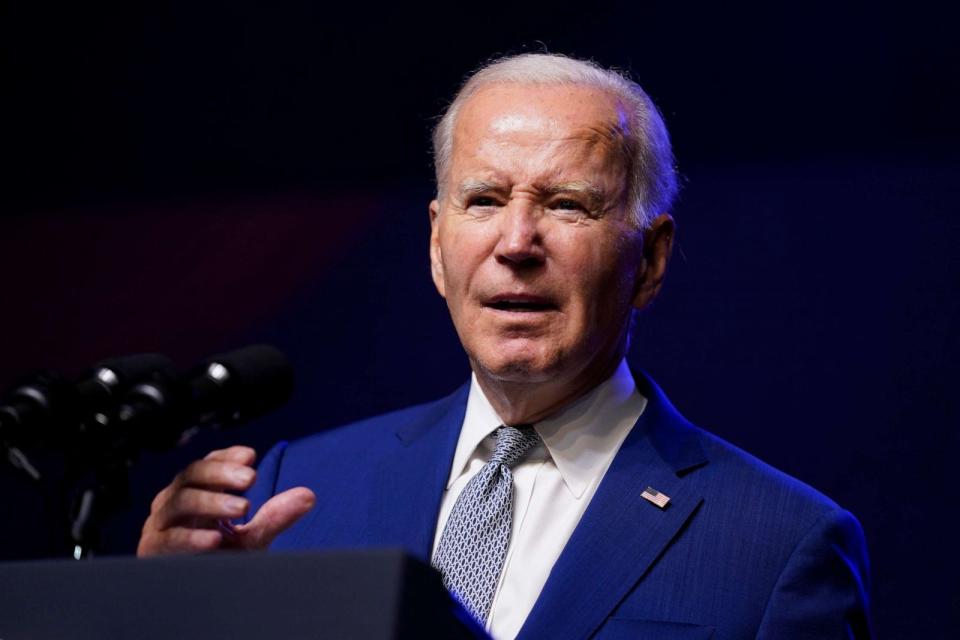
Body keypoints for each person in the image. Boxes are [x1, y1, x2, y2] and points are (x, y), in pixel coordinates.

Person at [138, 53, 872, 639]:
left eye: (566, 204)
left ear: (648, 261)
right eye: (483, 200)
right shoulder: (292, 494)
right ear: (435, 244)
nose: (516, 243)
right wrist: (169, 618)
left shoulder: (779, 545)